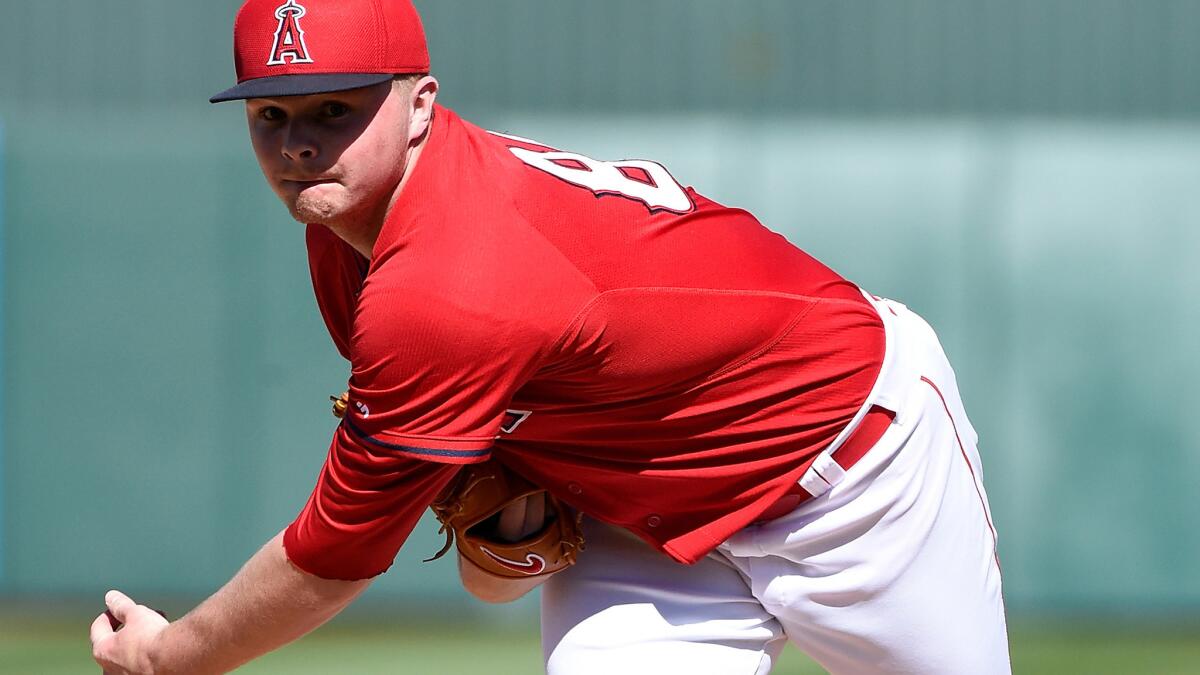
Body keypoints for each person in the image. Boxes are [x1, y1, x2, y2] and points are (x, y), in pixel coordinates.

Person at [89, 0, 1011, 672]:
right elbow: (495, 542)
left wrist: (170, 655)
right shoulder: (345, 237)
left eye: (336, 108)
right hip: (642, 511)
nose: (298, 145)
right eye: (271, 116)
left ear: (420, 106)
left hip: (851, 470)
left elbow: (335, 553)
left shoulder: (445, 276)